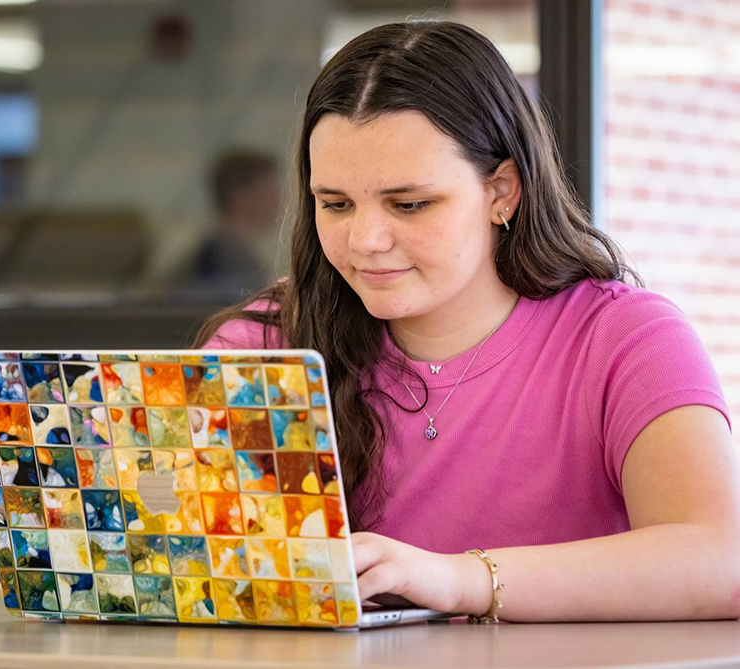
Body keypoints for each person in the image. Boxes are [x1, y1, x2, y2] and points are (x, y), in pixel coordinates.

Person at [192, 20, 739, 623]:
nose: (366, 240)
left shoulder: (624, 341)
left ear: (502, 191)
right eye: (336, 204)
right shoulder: (264, 345)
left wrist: (464, 579)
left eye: (410, 204)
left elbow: (720, 561)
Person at [181, 149, 282, 295]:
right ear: (239, 196)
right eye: (269, 191)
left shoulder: (221, 246)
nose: (278, 201)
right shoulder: (230, 253)